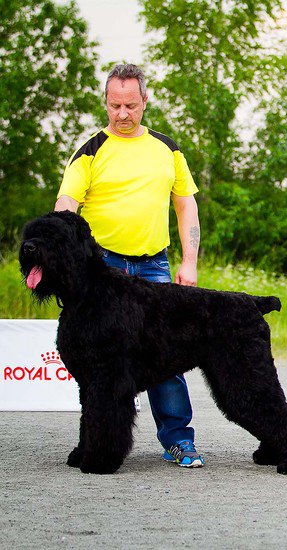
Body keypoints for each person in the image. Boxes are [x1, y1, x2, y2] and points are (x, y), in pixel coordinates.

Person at [54, 63, 205, 468]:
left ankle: (179, 441)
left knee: (168, 360)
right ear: (106, 101)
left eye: (131, 105)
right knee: (99, 365)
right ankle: (96, 443)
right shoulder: (89, 150)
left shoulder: (167, 148)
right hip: (102, 274)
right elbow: (66, 205)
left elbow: (186, 204)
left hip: (155, 265)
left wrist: (189, 262)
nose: (123, 114)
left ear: (145, 101)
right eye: (115, 105)